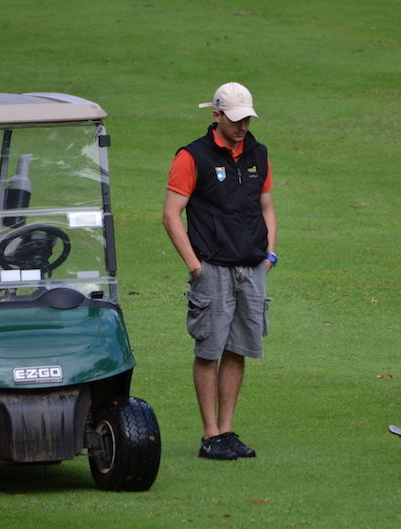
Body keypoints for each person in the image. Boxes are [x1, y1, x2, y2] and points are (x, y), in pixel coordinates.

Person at [162, 82, 277, 461]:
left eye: (247, 118)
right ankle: (210, 434)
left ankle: (226, 430)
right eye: (235, 119)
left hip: (252, 267)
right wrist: (195, 267)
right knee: (209, 349)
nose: (242, 125)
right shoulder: (191, 156)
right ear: (216, 115)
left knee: (238, 347)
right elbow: (171, 215)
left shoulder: (257, 153)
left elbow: (267, 207)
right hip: (211, 267)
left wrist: (269, 254)